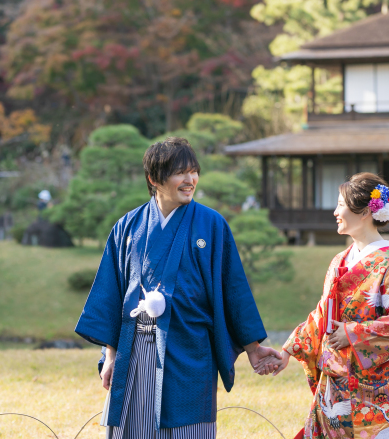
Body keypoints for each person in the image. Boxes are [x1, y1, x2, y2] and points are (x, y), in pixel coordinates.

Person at [75, 137, 279, 438]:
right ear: (154, 178)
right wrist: (111, 356)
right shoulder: (127, 227)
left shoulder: (211, 224)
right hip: (136, 350)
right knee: (133, 427)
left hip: (190, 349)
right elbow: (111, 294)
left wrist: (253, 347)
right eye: (180, 173)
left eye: (194, 171)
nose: (190, 180)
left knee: (189, 427)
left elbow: (232, 289)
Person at [257, 172, 389, 439]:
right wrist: (289, 351)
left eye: (341, 204)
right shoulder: (340, 260)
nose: (335, 211)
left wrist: (351, 333)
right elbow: (322, 314)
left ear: (364, 213)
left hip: (371, 384)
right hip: (334, 377)